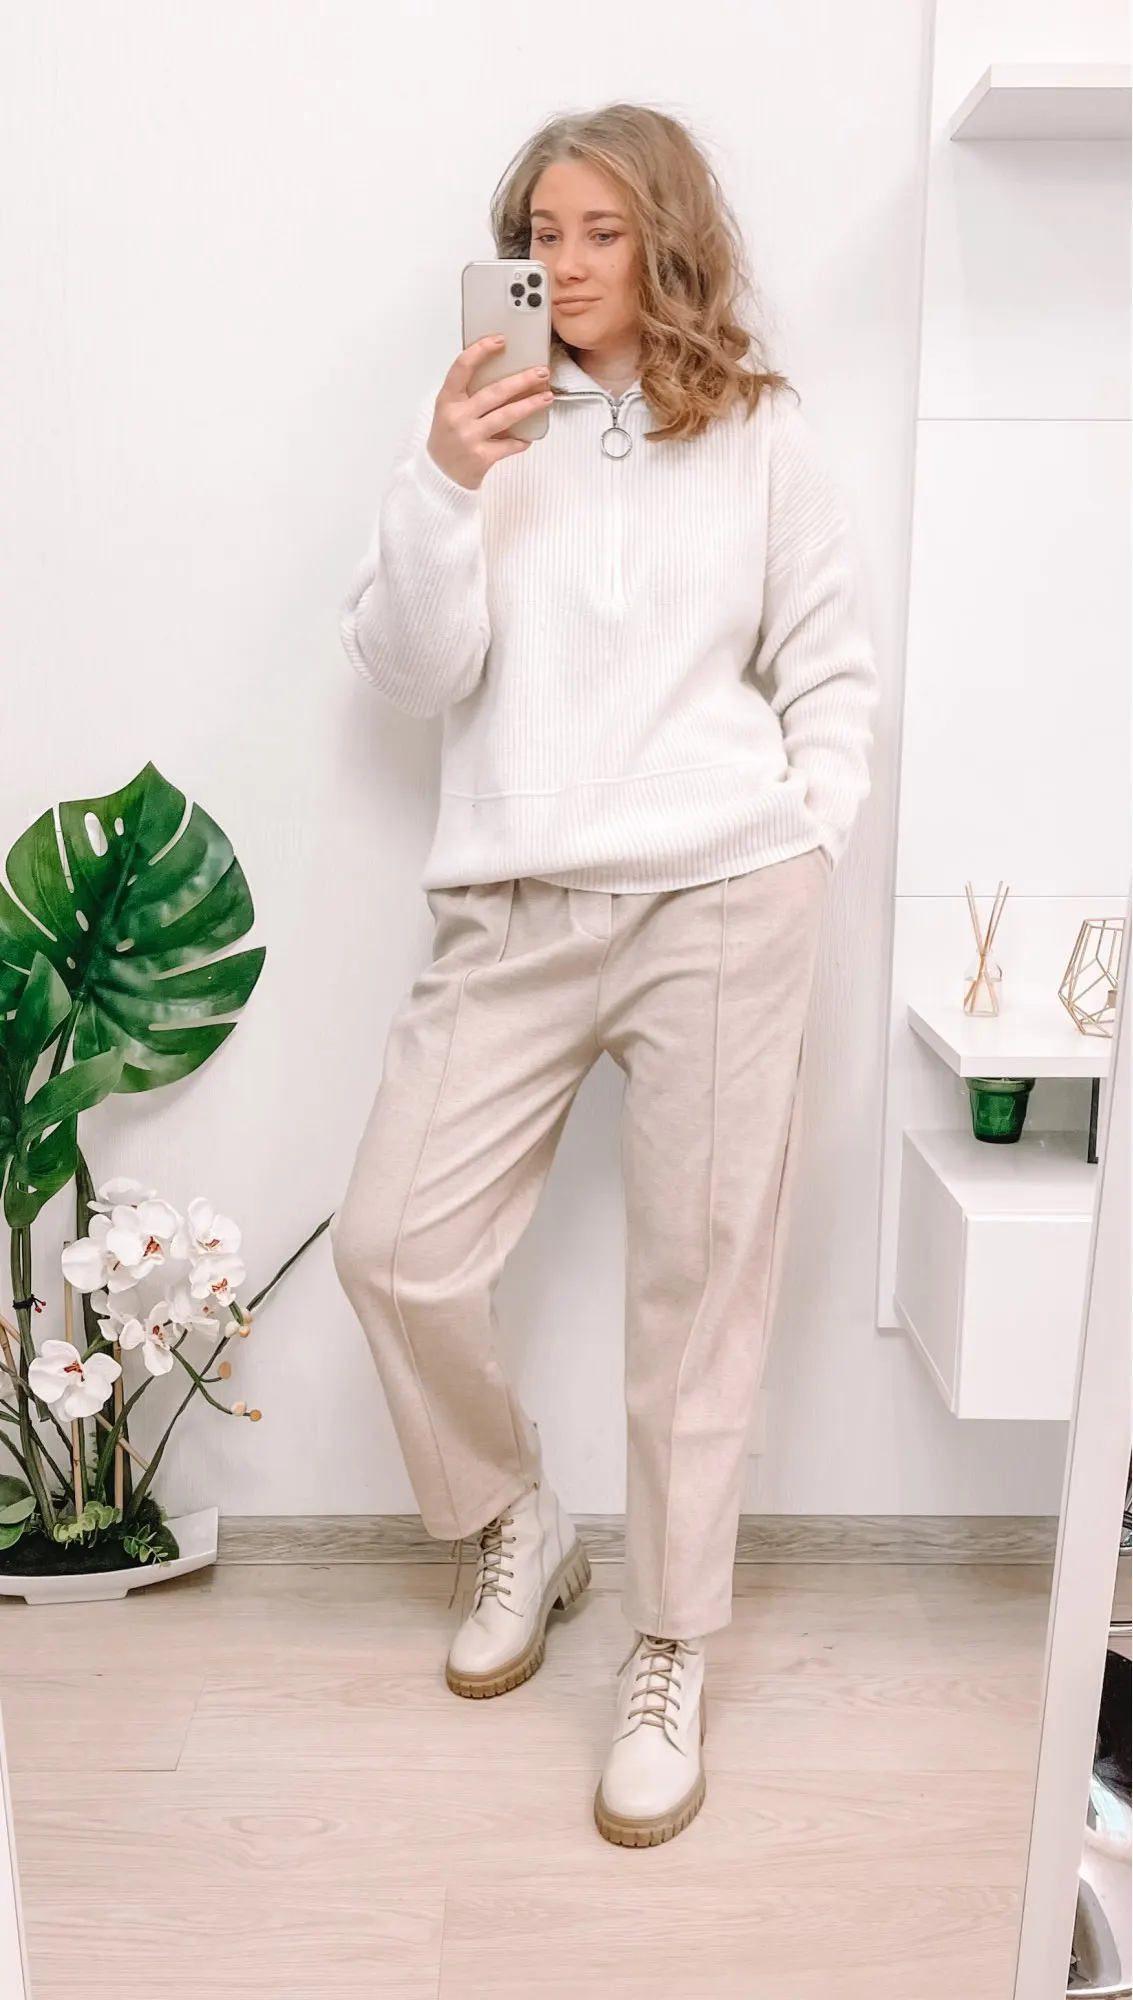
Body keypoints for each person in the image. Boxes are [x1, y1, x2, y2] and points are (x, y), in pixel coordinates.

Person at [333, 101, 878, 1848]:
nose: (562, 266)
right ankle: (517, 1517)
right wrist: (447, 479)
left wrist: (807, 844)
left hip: (723, 896)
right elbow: (408, 672)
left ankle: (669, 1643)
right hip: (514, 902)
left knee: (699, 1296)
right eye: (539, 235)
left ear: (665, 241)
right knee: (394, 1246)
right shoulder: (485, 428)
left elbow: (831, 670)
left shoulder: (765, 430)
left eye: (599, 232)